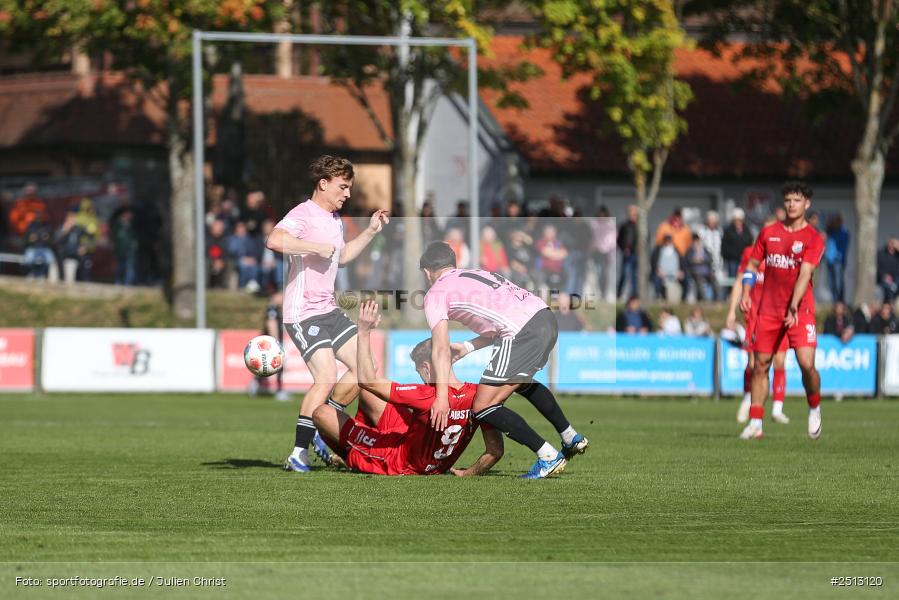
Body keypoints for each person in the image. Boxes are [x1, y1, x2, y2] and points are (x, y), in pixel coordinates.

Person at [419, 241, 588, 479]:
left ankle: (547, 455)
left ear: (427, 272)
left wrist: (442, 397)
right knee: (523, 382)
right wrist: (469, 347)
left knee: (483, 406)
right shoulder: (475, 273)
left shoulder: (435, 293)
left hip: (522, 331)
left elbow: (439, 348)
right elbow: (499, 321)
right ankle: (570, 436)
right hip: (545, 317)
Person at [265, 155, 389, 473]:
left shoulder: (334, 219)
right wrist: (315, 248)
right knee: (326, 377)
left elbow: (342, 257)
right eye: (343, 187)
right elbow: (274, 240)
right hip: (303, 312)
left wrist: (371, 231)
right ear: (324, 184)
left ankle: (325, 420)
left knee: (367, 368)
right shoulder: (303, 214)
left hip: (329, 309)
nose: (347, 194)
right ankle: (298, 453)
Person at [312, 301, 504, 476]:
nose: (421, 378)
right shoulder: (477, 394)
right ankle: (363, 434)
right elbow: (495, 452)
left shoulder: (426, 396)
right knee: (370, 395)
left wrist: (363, 331)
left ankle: (351, 453)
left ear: (427, 368)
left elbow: (366, 380)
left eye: (419, 371)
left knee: (322, 413)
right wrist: (467, 473)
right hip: (421, 447)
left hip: (397, 461)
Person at [739, 182, 825, 440]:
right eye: (788, 200)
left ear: (806, 204)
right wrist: (745, 292)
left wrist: (793, 305)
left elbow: (805, 274)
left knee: (806, 364)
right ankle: (756, 423)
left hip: (801, 310)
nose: (791, 204)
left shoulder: (813, 238)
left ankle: (814, 407)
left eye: (797, 200)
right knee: (760, 365)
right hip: (768, 310)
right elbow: (752, 265)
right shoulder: (769, 233)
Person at [726, 215, 790, 425]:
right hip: (756, 317)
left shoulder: (784, 255)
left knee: (779, 361)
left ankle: (777, 408)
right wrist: (731, 311)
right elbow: (739, 281)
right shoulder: (750, 253)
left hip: (779, 315)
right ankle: (748, 399)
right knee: (754, 364)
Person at [249, 290, 291, 402]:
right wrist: (276, 343)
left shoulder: (275, 308)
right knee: (277, 365)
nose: (283, 298)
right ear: (275, 295)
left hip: (268, 343)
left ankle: (256, 384)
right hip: (269, 345)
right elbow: (271, 324)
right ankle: (279, 391)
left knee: (266, 366)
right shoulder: (272, 308)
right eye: (281, 295)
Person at [589, 205, 617, 302]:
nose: (602, 217)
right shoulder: (594, 224)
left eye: (603, 215)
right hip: (596, 252)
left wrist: (610, 254)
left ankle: (603, 293)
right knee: (596, 273)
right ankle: (597, 293)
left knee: (604, 274)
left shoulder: (610, 224)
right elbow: (592, 237)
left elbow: (612, 241)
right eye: (600, 215)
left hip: (606, 253)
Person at [227, 221, 263, 293]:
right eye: (239, 228)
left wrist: (251, 259)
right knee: (243, 267)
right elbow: (232, 251)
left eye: (242, 228)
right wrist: (242, 258)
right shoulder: (232, 239)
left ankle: (253, 286)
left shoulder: (249, 239)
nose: (241, 230)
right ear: (236, 229)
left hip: (249, 259)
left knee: (254, 267)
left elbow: (253, 250)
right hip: (236, 259)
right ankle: (242, 286)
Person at [650, 234, 687, 301]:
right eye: (666, 241)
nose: (668, 242)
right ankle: (659, 296)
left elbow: (682, 263)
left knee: (686, 280)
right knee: (656, 279)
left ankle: (683, 299)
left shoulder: (676, 251)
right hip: (662, 273)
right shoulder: (658, 250)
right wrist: (658, 270)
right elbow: (653, 262)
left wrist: (681, 271)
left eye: (669, 241)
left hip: (675, 273)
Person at [824, 213, 849, 303]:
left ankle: (839, 301)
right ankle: (834, 301)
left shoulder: (843, 232)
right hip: (829, 260)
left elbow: (842, 247)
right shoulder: (830, 231)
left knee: (839, 283)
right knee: (831, 283)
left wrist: (837, 257)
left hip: (838, 261)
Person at [22, 212, 55, 279]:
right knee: (29, 259)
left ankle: (41, 274)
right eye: (38, 217)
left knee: (50, 260)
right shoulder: (31, 226)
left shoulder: (47, 226)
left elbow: (52, 241)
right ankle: (32, 273)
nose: (39, 219)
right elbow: (25, 240)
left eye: (40, 217)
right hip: (33, 247)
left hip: (44, 247)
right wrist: (30, 239)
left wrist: (47, 239)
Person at [722, 208, 754, 277]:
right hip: (732, 260)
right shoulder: (728, 231)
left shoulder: (746, 230)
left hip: (744, 259)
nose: (738, 222)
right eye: (736, 220)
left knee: (744, 276)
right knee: (733, 277)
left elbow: (749, 243)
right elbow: (725, 246)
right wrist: (733, 254)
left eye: (740, 220)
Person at [111, 208, 139, 286]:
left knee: (130, 267)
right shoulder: (118, 225)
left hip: (130, 251)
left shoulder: (132, 225)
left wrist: (134, 245)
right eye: (129, 214)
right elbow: (114, 238)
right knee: (120, 267)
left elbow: (134, 237)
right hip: (120, 250)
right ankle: (119, 282)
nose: (130, 216)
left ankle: (128, 283)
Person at [685, 233, 716, 301]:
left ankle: (716, 298)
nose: (697, 243)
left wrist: (700, 260)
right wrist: (697, 260)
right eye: (695, 241)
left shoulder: (705, 250)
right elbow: (690, 260)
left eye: (697, 241)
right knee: (699, 281)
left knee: (713, 279)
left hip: (707, 271)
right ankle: (703, 299)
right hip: (695, 272)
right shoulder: (690, 250)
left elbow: (710, 259)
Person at [617, 204, 639, 299]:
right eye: (631, 213)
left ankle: (633, 296)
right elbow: (618, 240)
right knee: (624, 275)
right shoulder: (624, 226)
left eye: (634, 213)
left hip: (637, 255)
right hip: (627, 255)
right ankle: (619, 294)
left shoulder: (640, 227)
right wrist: (624, 249)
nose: (633, 215)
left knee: (635, 277)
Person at [876, 238, 899, 304]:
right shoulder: (881, 254)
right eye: (891, 243)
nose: (893, 245)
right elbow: (878, 268)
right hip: (884, 278)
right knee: (889, 288)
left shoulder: (897, 255)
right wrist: (884, 276)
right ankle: (889, 304)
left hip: (896, 278)